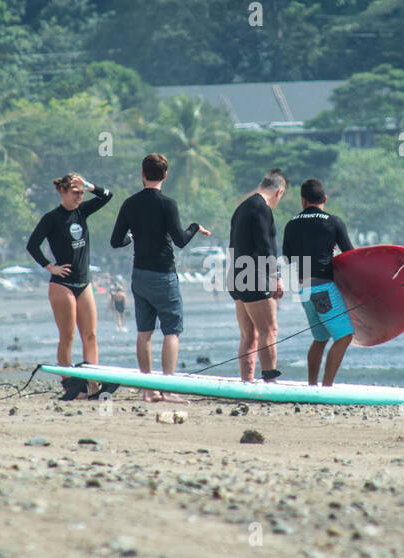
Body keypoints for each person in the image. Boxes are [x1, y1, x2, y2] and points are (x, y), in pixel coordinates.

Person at [110, 153, 211, 401]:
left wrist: (133, 237)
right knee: (171, 332)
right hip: (163, 274)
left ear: (142, 174)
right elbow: (180, 240)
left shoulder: (130, 203)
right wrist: (195, 227)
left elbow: (115, 241)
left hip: (140, 275)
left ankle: (147, 390)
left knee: (144, 332)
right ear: (165, 175)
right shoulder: (168, 203)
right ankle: (167, 389)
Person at [27, 173, 115, 400]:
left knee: (91, 335)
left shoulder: (82, 211)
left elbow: (107, 195)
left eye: (81, 193)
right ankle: (70, 385)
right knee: (68, 336)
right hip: (62, 285)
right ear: (63, 192)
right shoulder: (51, 218)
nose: (79, 196)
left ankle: (93, 385)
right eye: (75, 192)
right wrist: (50, 267)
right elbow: (32, 245)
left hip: (84, 283)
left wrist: (88, 185)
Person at [282, 178, 354, 386]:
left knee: (320, 338)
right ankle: (327, 387)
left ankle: (312, 385)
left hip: (303, 289)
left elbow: (287, 258)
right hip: (322, 289)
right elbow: (350, 254)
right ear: (324, 198)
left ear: (303, 201)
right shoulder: (333, 222)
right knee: (344, 337)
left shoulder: (292, 224)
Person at [227, 169, 287, 382]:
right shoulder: (262, 209)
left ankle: (247, 380)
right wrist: (276, 276)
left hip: (236, 276)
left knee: (249, 335)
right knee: (269, 330)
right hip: (254, 277)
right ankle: (270, 380)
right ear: (279, 192)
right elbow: (265, 246)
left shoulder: (242, 207)